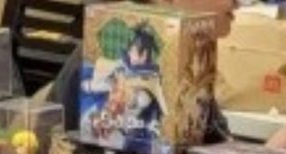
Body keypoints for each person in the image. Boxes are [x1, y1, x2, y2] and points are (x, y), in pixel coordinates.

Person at [49, 0, 238, 143]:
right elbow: (50, 148)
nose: (237, 3)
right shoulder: (92, 60)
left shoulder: (190, 65)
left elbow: (219, 148)